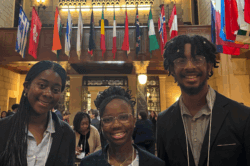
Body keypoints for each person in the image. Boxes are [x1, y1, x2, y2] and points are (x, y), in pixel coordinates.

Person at [157, 35, 250, 166]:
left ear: (209, 66)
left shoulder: (242, 116)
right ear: (172, 69)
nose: (189, 66)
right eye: (181, 60)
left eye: (197, 59)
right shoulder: (164, 121)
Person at [0, 60, 75, 166]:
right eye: (42, 85)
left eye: (55, 89)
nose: (48, 94)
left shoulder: (67, 134)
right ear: (26, 86)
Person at [80, 86, 164, 166]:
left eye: (123, 117)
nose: (116, 125)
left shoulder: (155, 164)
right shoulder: (88, 163)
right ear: (101, 125)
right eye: (108, 119)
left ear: (134, 121)